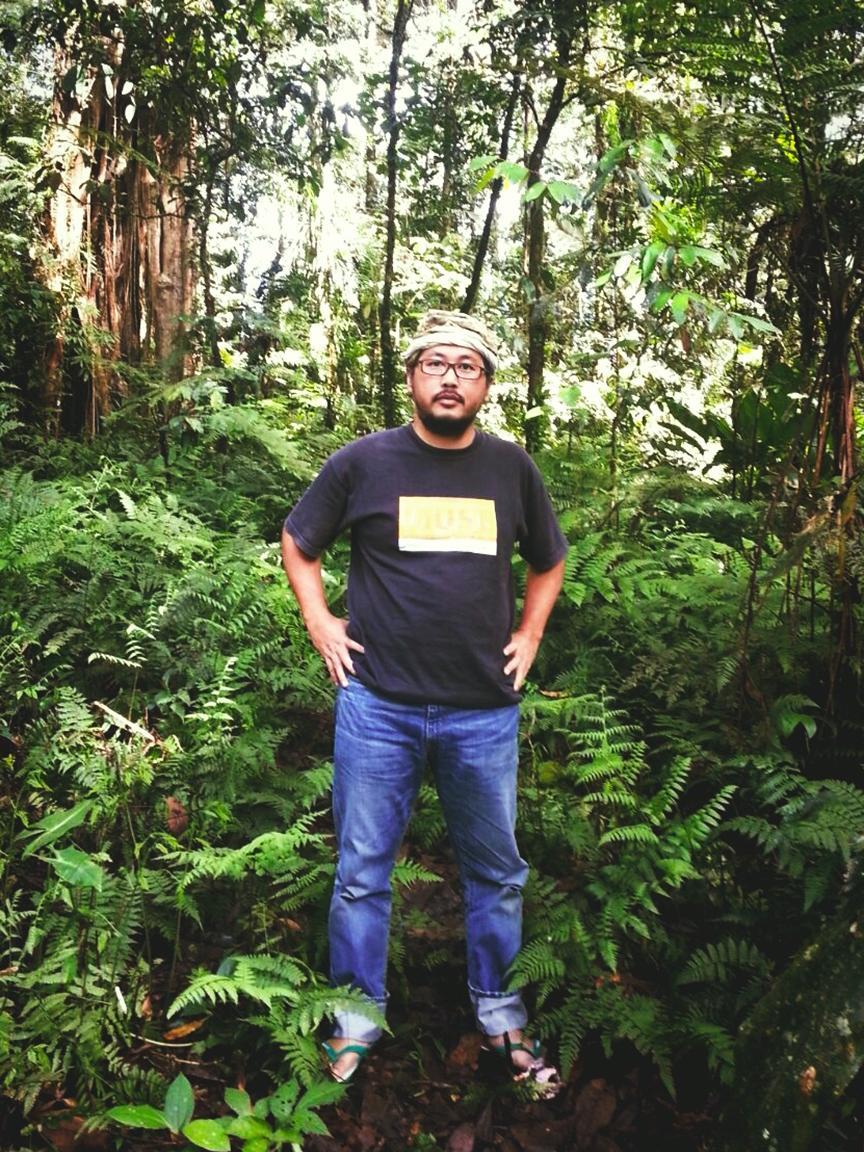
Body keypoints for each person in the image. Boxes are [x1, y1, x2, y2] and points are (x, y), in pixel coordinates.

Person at [281, 310, 567, 1085]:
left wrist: (531, 636)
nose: (450, 377)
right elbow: (299, 544)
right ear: (410, 377)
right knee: (362, 868)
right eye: (435, 363)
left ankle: (501, 1013)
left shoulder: (511, 470)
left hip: (483, 708)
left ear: (486, 385)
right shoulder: (362, 463)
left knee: (497, 871)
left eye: (466, 367)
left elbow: (549, 561)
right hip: (379, 705)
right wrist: (320, 623)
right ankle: (355, 1018)